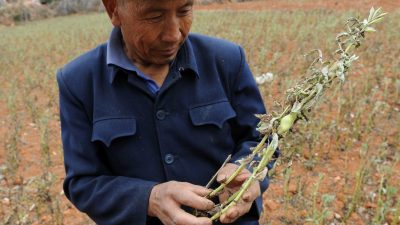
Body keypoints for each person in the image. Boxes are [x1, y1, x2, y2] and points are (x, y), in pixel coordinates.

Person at [57, 0, 278, 224]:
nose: (173, 35)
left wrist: (246, 170)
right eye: (154, 17)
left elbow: (260, 138)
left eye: (184, 11)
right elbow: (83, 183)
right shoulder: (77, 81)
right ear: (113, 10)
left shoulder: (228, 60)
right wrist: (149, 198)